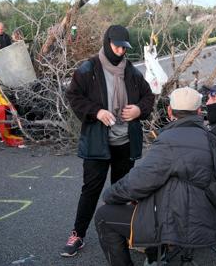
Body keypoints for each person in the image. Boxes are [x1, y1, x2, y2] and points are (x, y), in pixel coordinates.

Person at [94, 87, 216, 266]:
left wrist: (110, 195)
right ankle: (155, 252)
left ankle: (154, 251)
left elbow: (139, 182)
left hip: (178, 224)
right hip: (211, 222)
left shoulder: (169, 141)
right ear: (199, 111)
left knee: (104, 215)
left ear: (170, 112)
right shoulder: (215, 140)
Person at [62, 24, 155, 257]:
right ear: (107, 42)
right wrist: (96, 112)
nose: (121, 52)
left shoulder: (131, 71)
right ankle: (78, 234)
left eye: (124, 48)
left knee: (122, 190)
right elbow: (73, 96)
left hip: (125, 142)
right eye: (117, 47)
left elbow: (149, 97)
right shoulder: (88, 69)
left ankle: (122, 233)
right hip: (97, 143)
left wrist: (138, 111)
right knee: (91, 190)